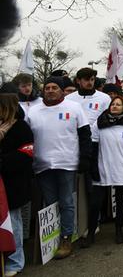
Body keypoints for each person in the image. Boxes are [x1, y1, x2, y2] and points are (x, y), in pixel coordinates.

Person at [26, 76, 92, 259]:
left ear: (62, 90)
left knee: (66, 202)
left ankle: (66, 237)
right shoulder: (33, 111)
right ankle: (50, 240)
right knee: (50, 203)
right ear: (43, 90)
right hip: (41, 164)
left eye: (55, 87)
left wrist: (85, 158)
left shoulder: (74, 108)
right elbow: (26, 139)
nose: (50, 90)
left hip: (67, 162)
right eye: (47, 87)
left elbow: (85, 135)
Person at [83, 96, 123, 246]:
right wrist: (93, 167)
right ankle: (91, 233)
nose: (115, 106)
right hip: (103, 167)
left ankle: (119, 229)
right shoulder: (100, 123)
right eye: (113, 104)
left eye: (118, 104)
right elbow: (93, 147)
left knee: (120, 201)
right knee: (95, 203)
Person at [0, 84, 34, 277]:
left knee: (13, 223)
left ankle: (15, 261)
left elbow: (26, 155)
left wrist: (2, 162)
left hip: (13, 184)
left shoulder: (21, 127)